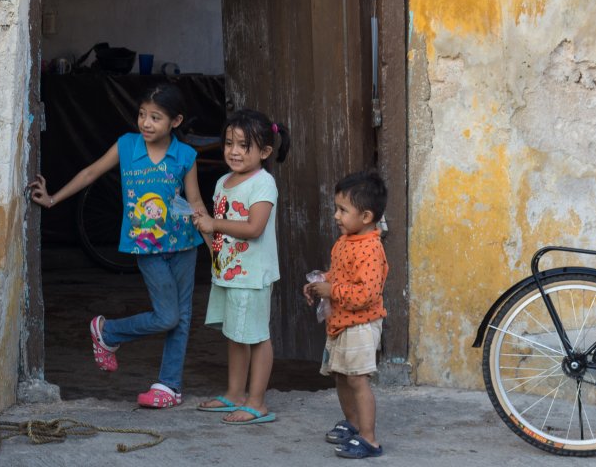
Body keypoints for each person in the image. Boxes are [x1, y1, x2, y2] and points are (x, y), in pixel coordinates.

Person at [29, 84, 206, 408]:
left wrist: (215, 245)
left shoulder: (185, 155)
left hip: (184, 245)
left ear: (175, 121)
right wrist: (52, 199)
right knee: (167, 316)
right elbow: (90, 172)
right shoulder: (127, 146)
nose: (146, 123)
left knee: (181, 318)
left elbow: (194, 201)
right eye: (142, 114)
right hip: (146, 247)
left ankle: (168, 386)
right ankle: (108, 332)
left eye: (156, 117)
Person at [192, 108, 290, 424]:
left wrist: (214, 223)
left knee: (257, 337)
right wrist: (205, 228)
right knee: (235, 335)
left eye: (243, 145)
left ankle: (257, 402)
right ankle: (234, 394)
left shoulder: (263, 183)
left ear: (264, 152)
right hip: (228, 272)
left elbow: (253, 228)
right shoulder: (223, 181)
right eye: (229, 143)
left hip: (251, 275)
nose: (234, 151)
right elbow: (218, 231)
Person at [303, 170, 388, 459]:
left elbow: (367, 294)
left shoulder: (370, 249)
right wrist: (320, 284)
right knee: (341, 375)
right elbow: (339, 276)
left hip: (361, 325)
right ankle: (353, 423)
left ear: (365, 216)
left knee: (358, 380)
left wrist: (332, 290)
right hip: (340, 322)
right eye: (336, 209)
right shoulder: (345, 241)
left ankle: (369, 438)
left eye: (343, 210)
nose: (337, 216)